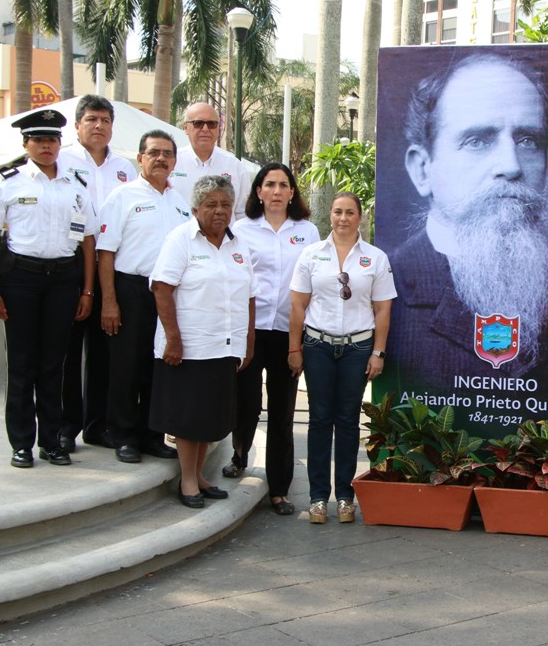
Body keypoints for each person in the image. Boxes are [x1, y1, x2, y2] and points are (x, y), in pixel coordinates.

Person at [388, 52, 548, 389]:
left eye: (528, 140)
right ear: (423, 169)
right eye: (477, 140)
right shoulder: (388, 288)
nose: (511, 165)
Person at [0, 108, 97, 468]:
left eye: (52, 140)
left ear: (61, 144)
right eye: (39, 140)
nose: (46, 146)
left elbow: (88, 240)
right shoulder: (7, 182)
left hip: (62, 280)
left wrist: (87, 291)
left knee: (53, 365)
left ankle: (52, 441)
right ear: (26, 143)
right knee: (23, 363)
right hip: (20, 280)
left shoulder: (76, 185)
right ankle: (22, 443)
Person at [289, 192, 397, 524]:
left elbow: (383, 309)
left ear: (360, 218)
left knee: (348, 422)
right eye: (337, 212)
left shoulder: (375, 258)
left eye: (350, 212)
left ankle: (346, 498)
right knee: (320, 420)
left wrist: (378, 352)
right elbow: (297, 306)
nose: (343, 218)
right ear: (330, 216)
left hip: (357, 349)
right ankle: (319, 498)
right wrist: (295, 348)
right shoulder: (311, 255)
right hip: (318, 347)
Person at [149, 175, 257, 508]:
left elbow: (250, 297)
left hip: (225, 346)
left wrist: (248, 343)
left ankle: (200, 475)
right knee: (188, 418)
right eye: (211, 204)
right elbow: (162, 288)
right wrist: (173, 339)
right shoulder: (180, 239)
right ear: (196, 208)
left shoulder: (238, 245)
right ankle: (188, 481)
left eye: (225, 204)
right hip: (190, 347)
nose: (220, 211)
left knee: (209, 418)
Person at [229, 163, 320, 515]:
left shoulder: (307, 231)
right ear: (258, 192)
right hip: (252, 330)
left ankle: (279, 489)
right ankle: (239, 454)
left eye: (284, 185)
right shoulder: (242, 229)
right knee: (247, 403)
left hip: (290, 332)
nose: (277, 191)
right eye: (270, 185)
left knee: (282, 412)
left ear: (293, 192)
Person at [97, 130, 190, 464]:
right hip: (130, 289)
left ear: (175, 161)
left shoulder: (180, 203)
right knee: (126, 366)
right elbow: (105, 253)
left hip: (167, 295)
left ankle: (152, 434)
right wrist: (109, 301)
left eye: (167, 153)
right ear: (140, 158)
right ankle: (122, 434)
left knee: (158, 365)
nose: (161, 158)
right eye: (153, 153)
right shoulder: (122, 197)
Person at [58, 95, 138, 452]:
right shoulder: (60, 161)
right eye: (91, 119)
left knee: (106, 351)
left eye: (105, 120)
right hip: (70, 260)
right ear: (77, 125)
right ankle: (65, 425)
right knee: (68, 350)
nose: (99, 126)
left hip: (112, 265)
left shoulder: (125, 168)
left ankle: (97, 425)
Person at [170, 102, 251, 219]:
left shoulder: (235, 166)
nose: (205, 129)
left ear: (218, 128)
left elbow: (243, 214)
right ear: (185, 128)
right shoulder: (172, 162)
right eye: (198, 123)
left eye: (212, 124)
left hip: (223, 237)